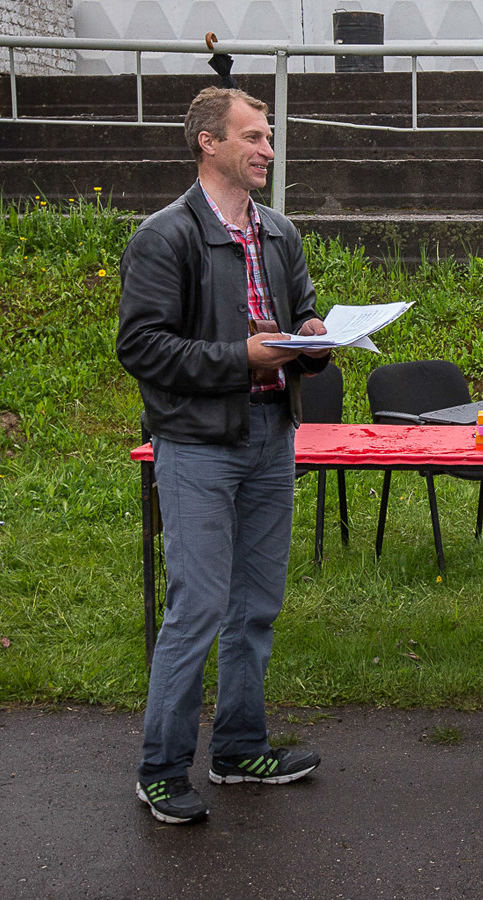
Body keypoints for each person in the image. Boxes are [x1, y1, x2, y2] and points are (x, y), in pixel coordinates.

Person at [117, 87, 328, 825]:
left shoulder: (279, 232)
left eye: (268, 136)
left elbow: (299, 311)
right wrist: (241, 358)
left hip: (273, 435)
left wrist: (313, 337)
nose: (268, 148)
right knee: (199, 608)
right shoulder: (164, 236)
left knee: (256, 607)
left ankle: (239, 749)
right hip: (198, 445)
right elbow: (142, 347)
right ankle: (161, 769)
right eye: (253, 136)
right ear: (209, 143)